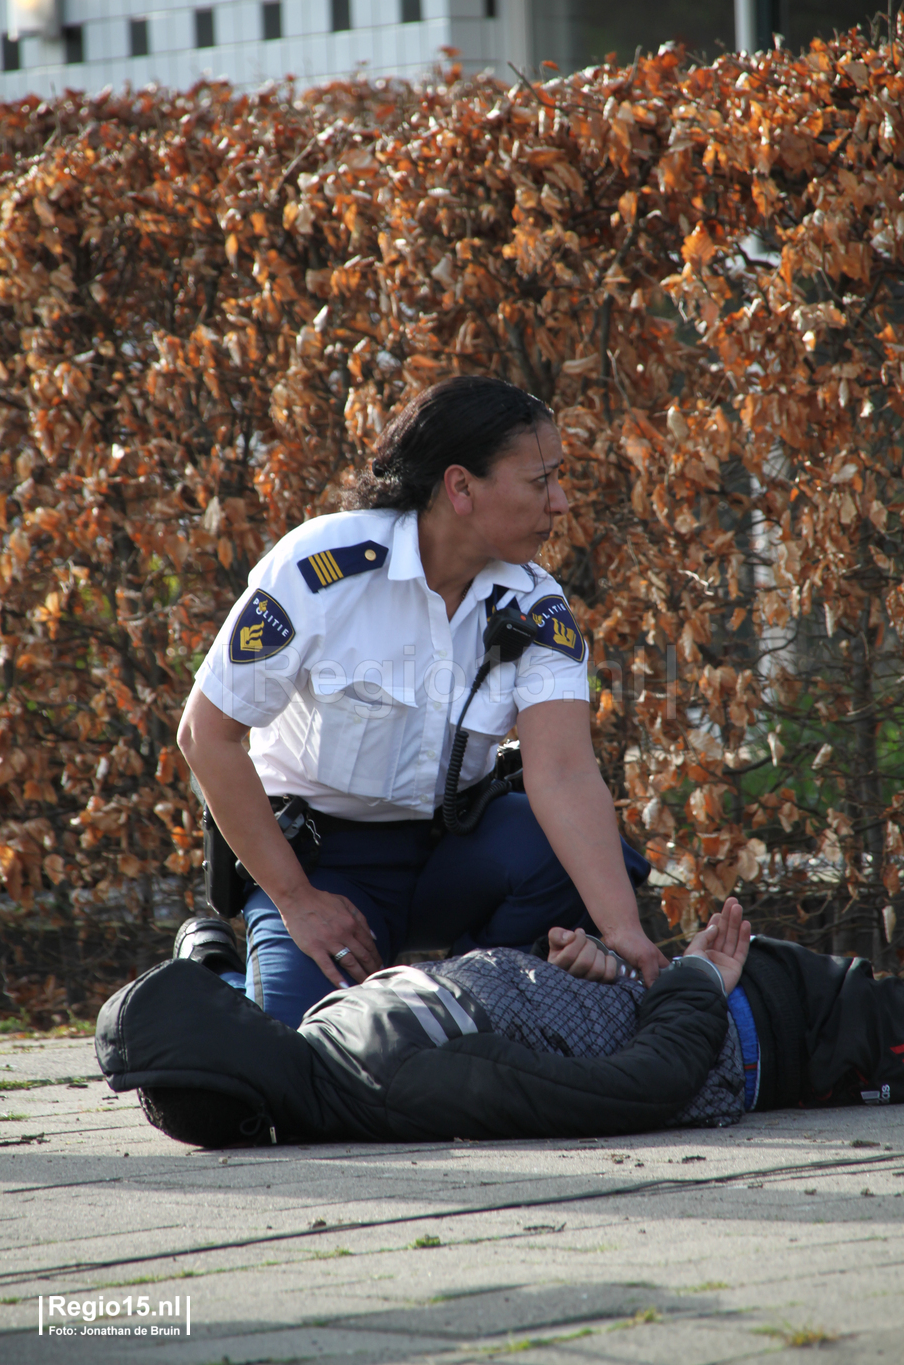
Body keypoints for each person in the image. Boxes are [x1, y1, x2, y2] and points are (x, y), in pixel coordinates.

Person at [176, 375, 664, 1028]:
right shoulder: (320, 569)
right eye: (539, 480)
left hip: (454, 850)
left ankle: (462, 1007)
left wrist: (624, 932)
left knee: (552, 860)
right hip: (328, 865)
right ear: (461, 487)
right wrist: (296, 898)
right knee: (300, 1053)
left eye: (560, 477)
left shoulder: (536, 603)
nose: (562, 501)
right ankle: (213, 968)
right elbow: (206, 736)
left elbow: (566, 773)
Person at [96, 900, 904, 1148]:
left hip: (716, 992)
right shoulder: (399, 1080)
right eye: (223, 1002)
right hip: (785, 1032)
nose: (238, 996)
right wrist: (694, 979)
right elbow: (640, 1088)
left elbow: (527, 1016)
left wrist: (577, 965)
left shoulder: (322, 1033)